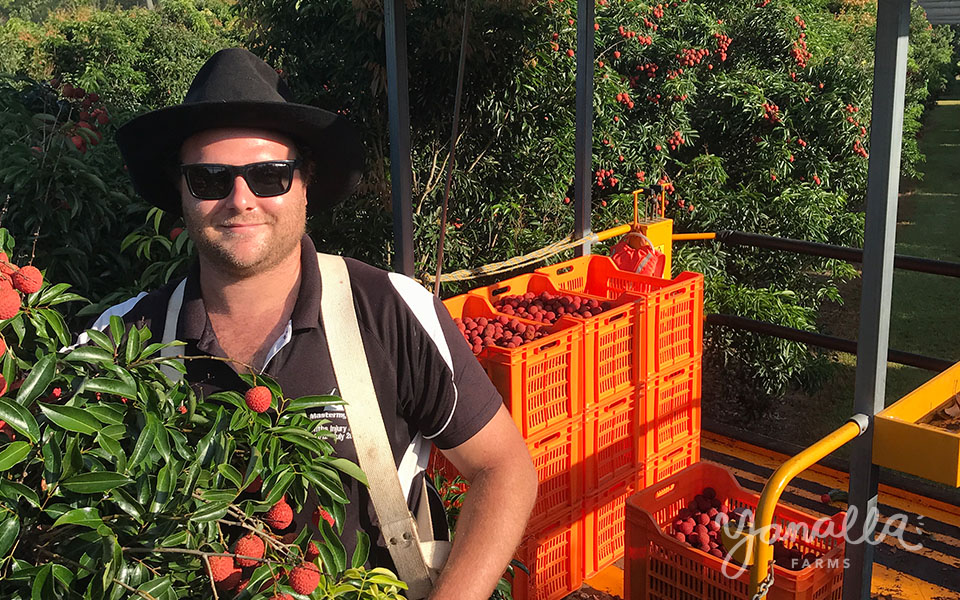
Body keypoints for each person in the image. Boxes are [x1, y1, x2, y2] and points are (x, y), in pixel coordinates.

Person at [97, 48, 538, 599]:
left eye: (270, 175)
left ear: (304, 183)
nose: (240, 200)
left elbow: (502, 468)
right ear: (180, 191)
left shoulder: (389, 309)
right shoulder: (122, 339)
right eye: (209, 178)